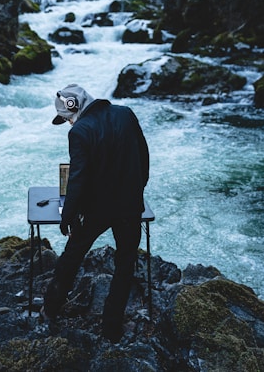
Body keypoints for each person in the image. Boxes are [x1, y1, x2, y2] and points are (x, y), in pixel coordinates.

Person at [43, 83, 149, 343]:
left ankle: (50, 311)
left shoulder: (79, 131)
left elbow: (78, 178)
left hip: (97, 210)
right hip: (130, 204)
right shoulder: (126, 113)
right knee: (125, 263)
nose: (68, 123)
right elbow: (144, 156)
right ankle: (111, 328)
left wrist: (67, 216)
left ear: (73, 107)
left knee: (72, 257)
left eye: (67, 117)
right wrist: (138, 189)